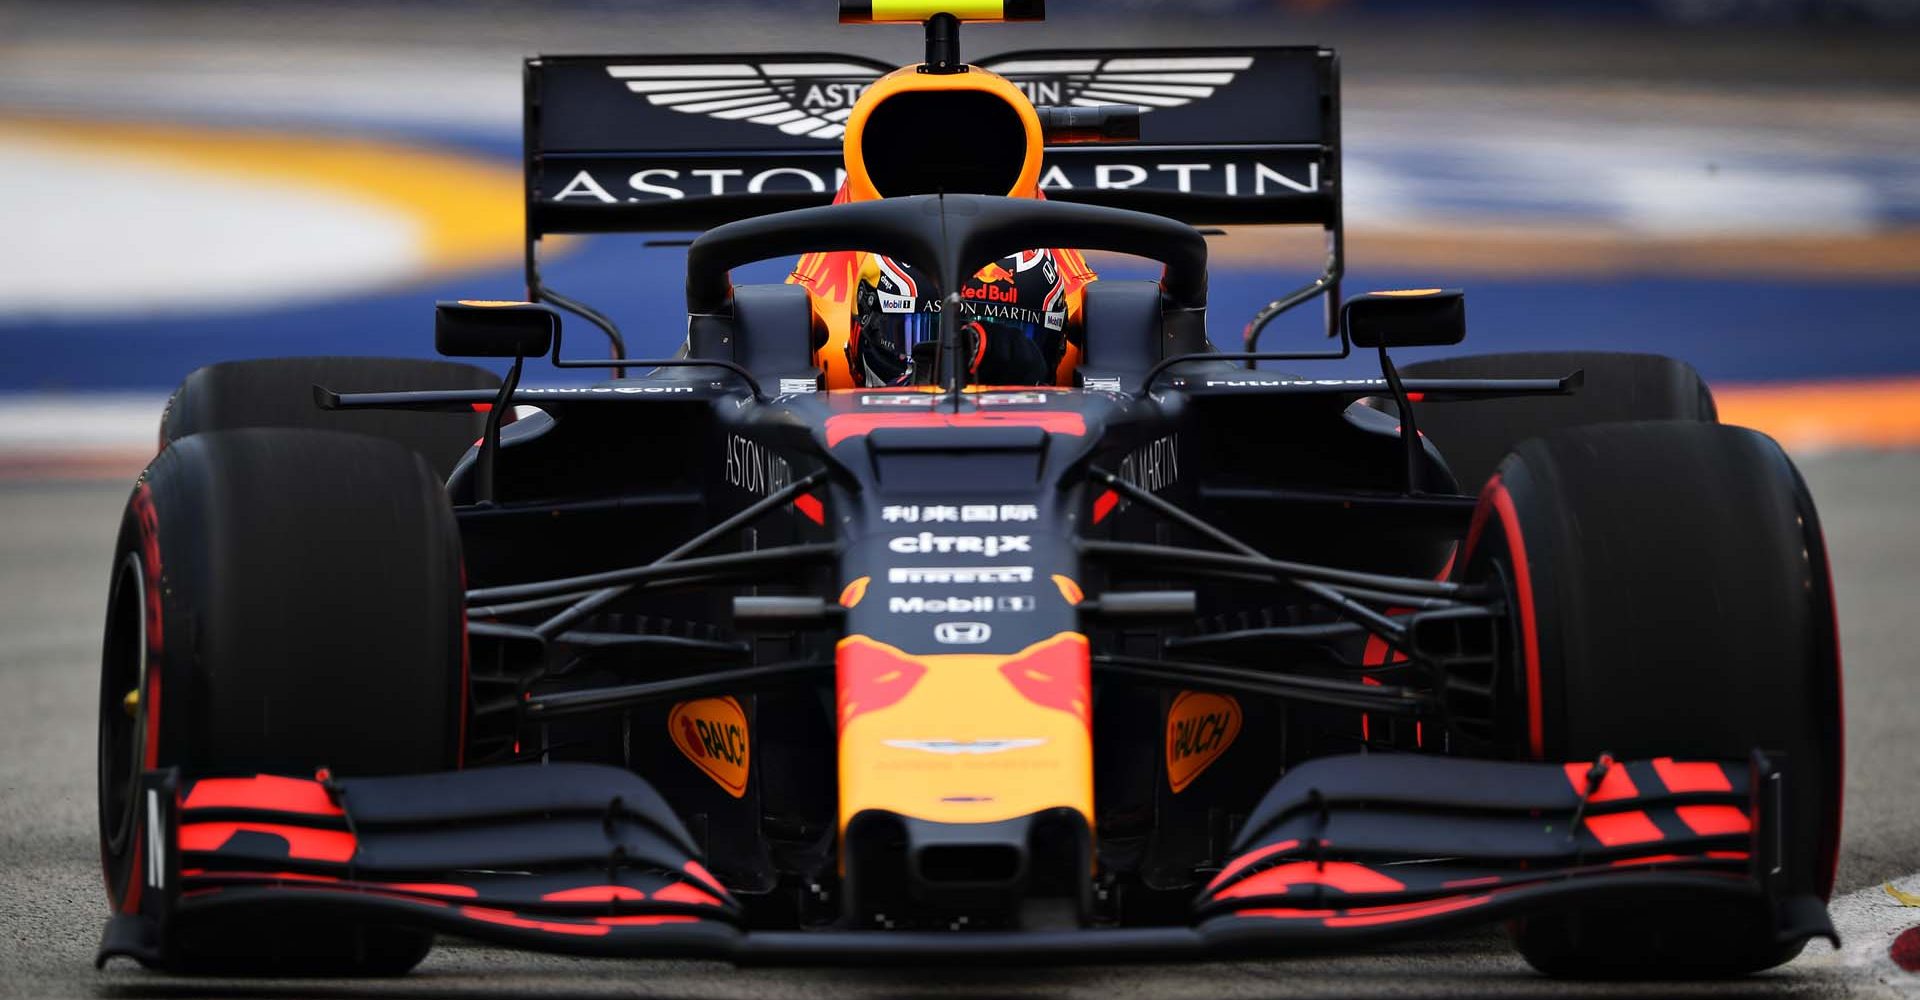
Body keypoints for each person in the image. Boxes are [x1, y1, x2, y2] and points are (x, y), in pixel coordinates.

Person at [787, 63, 1096, 388]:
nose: (952, 381)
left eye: (1017, 338)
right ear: (859, 337)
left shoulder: (1083, 322)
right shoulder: (817, 328)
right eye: (923, 335)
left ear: (1059, 346)